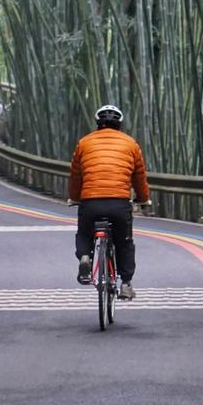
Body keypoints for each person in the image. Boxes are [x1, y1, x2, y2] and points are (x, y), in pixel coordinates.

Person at [69, 104, 151, 301]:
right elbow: (139, 176)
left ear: (98, 124)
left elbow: (76, 175)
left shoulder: (84, 143)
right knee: (124, 243)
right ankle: (126, 284)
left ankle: (85, 257)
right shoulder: (131, 144)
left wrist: (75, 197)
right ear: (120, 125)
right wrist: (143, 198)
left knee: (84, 232)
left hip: (90, 202)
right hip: (119, 203)